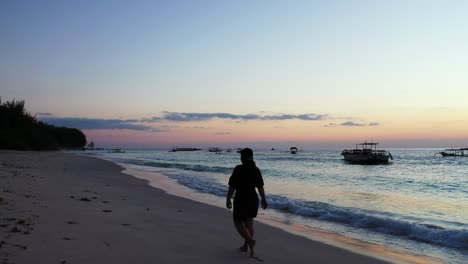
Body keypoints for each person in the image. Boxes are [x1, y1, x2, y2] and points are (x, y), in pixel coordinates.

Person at [226, 148, 268, 257]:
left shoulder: (238, 169)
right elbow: (260, 187)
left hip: (241, 198)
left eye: (241, 156)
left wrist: (228, 199)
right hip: (253, 199)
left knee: (238, 222)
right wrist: (263, 199)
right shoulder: (256, 170)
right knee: (249, 224)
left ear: (244, 157)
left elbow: (232, 186)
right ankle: (246, 247)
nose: (240, 158)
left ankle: (250, 241)